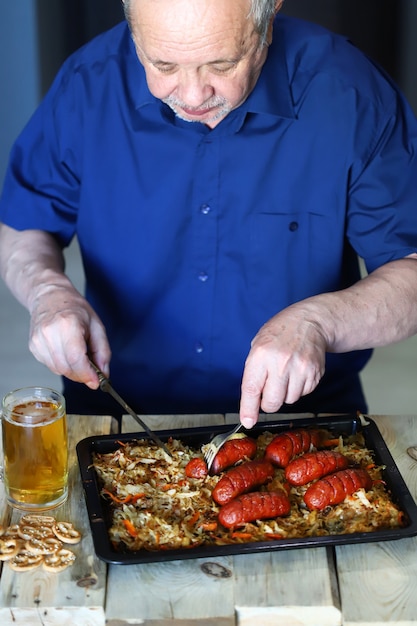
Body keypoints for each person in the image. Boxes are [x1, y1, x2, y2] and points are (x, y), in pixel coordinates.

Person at [1, 0, 417, 428]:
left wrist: (319, 322)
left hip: (305, 422)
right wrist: (46, 292)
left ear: (267, 21)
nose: (193, 95)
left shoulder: (351, 93)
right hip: (117, 414)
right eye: (162, 65)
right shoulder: (87, 86)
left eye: (222, 64)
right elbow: (24, 224)